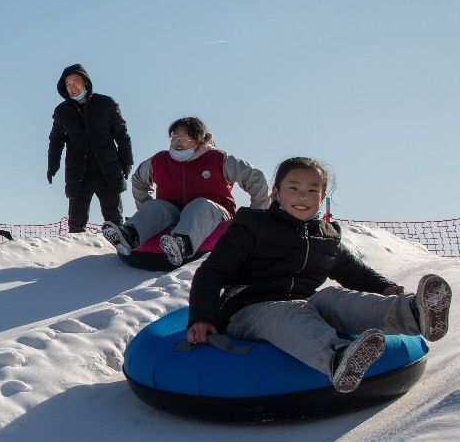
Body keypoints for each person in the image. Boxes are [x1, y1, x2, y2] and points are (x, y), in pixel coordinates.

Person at [186, 156, 451, 393]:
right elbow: (212, 271)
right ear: (276, 193)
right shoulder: (253, 225)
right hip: (249, 310)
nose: (303, 197)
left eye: (312, 191)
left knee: (333, 297)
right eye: (294, 188)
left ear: (321, 197)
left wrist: (384, 286)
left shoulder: (326, 236)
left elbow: (353, 271)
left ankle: (415, 313)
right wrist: (202, 317)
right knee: (285, 313)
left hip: (302, 304)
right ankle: (338, 359)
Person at [101, 116, 269, 266]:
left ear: (199, 141)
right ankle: (129, 235)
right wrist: (145, 207)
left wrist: (257, 214)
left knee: (199, 205)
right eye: (174, 138)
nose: (178, 143)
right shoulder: (160, 160)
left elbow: (256, 178)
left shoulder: (217, 159)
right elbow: (138, 180)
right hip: (173, 212)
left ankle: (182, 243)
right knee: (158, 206)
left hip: (213, 212)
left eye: (185, 138)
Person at [47, 63, 134, 233]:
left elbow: (122, 135)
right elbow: (56, 140)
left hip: (107, 170)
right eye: (68, 84)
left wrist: (127, 162)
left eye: (76, 82)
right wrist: (52, 165)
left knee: (114, 219)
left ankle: (117, 253)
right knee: (76, 222)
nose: (73, 87)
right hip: (79, 173)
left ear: (85, 82)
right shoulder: (62, 111)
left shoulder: (106, 104)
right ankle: (77, 257)